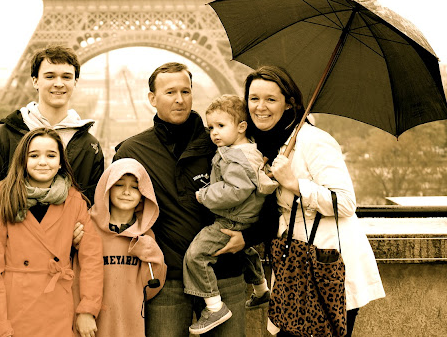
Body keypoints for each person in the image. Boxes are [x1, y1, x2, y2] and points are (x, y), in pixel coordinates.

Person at [113, 62, 279, 337]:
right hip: (166, 278)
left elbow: (267, 201)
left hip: (224, 272)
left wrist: (248, 238)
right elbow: (118, 212)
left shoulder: (224, 143)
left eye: (185, 91)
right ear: (152, 98)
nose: (179, 99)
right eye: (170, 92)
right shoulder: (132, 151)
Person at [0, 45, 105, 331]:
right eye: (50, 76)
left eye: (66, 76)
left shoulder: (88, 145)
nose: (58, 83)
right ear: (35, 80)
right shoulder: (6, 136)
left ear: (76, 81)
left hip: (63, 280)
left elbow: (92, 211)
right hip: (14, 283)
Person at [241, 65, 385, 336]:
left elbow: (345, 203)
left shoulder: (314, 140)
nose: (260, 107)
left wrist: (295, 184)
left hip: (326, 268)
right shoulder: (262, 145)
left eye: (270, 99)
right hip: (294, 267)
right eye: (254, 98)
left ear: (288, 104)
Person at [0, 128, 103, 337]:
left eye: (51, 155)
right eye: (34, 155)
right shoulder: (4, 197)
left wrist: (87, 309)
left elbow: (92, 258)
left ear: (61, 162)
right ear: (23, 160)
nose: (43, 162)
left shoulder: (74, 200)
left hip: (58, 305)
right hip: (15, 305)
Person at [183, 94, 278, 334]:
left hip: (232, 218)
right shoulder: (249, 150)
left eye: (221, 126)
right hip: (247, 217)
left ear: (241, 127)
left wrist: (204, 195)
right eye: (211, 127)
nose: (214, 133)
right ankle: (261, 290)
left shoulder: (235, 158)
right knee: (244, 251)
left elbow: (235, 190)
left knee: (195, 256)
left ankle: (215, 307)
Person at [74, 157, 167, 337]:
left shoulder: (145, 235)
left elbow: (150, 288)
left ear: (143, 194)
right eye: (119, 185)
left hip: (129, 321)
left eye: (135, 187)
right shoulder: (86, 227)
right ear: (106, 188)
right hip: (88, 320)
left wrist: (155, 256)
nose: (126, 192)